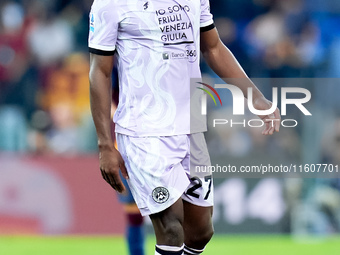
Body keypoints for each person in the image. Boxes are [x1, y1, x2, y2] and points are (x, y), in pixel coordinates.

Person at [88, 1, 280, 255]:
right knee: (171, 229)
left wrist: (254, 96)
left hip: (191, 126)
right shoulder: (110, 4)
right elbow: (99, 72)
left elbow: (213, 47)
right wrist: (104, 144)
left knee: (201, 232)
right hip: (144, 131)